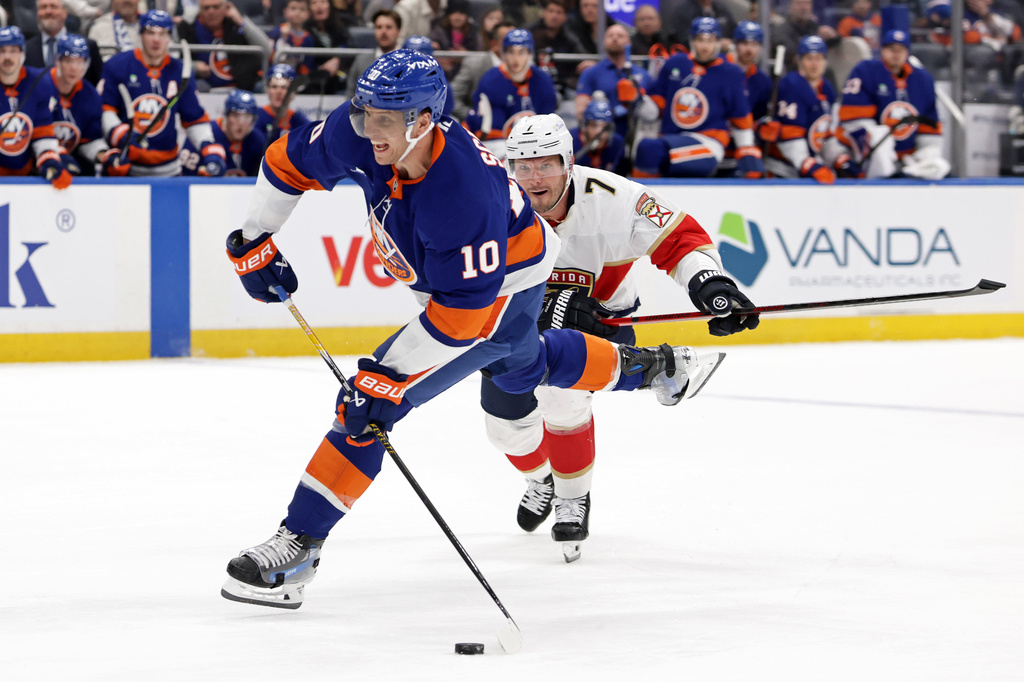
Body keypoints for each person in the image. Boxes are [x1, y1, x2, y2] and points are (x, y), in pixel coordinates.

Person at [220, 49, 732, 608]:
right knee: (524, 364)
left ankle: (300, 544)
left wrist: (385, 378)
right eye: (366, 113)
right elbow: (285, 160)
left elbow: (462, 318)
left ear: (422, 121)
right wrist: (253, 237)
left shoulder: (461, 195)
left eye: (385, 119)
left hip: (502, 288)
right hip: (476, 283)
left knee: (370, 405)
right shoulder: (359, 128)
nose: (369, 130)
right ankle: (660, 368)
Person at [492, 113, 757, 562]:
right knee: (503, 428)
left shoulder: (613, 197)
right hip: (518, 323)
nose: (534, 178)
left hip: (600, 316)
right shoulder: (490, 204)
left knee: (562, 399)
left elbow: (678, 237)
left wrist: (709, 283)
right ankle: (542, 480)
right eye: (523, 165)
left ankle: (573, 497)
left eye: (547, 164)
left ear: (570, 162)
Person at [100, 11, 226, 177]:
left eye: (162, 33)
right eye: (151, 33)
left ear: (169, 37)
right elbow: (105, 110)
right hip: (127, 166)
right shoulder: (117, 65)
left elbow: (193, 119)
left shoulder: (181, 71)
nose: (156, 39)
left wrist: (207, 146)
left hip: (168, 169)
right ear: (141, 34)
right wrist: (120, 134)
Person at [634, 17, 763, 178]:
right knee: (648, 149)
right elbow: (652, 112)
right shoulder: (674, 63)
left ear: (718, 42)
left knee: (649, 149)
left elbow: (741, 121)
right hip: (670, 140)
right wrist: (635, 99)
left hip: (708, 143)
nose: (705, 46)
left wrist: (747, 150)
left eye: (710, 40)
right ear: (691, 41)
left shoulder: (731, 73)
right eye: (700, 40)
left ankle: (644, 200)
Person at [835, 28, 947, 179]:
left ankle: (906, 173)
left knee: (936, 161)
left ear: (907, 53)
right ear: (882, 50)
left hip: (907, 159)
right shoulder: (865, 71)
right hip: (866, 155)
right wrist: (888, 157)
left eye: (901, 50)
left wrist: (918, 159)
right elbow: (856, 123)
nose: (896, 54)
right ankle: (885, 178)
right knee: (878, 136)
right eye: (891, 49)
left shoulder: (923, 79)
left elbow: (929, 129)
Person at [0, 26, 73, 189]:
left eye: (13, 51)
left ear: (22, 53)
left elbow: (42, 130)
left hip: (26, 177)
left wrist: (49, 159)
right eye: (2, 51)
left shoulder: (38, 82)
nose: (7, 57)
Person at [761, 35, 836, 182]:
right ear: (799, 61)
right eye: (809, 58)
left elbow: (824, 134)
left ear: (825, 61)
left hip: (808, 163)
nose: (815, 64)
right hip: (782, 169)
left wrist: (838, 157)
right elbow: (790, 136)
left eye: (819, 59)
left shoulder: (827, 88)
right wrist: (807, 164)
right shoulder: (791, 85)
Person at [464, 28, 558, 140]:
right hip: (495, 142)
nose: (515, 58)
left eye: (521, 52)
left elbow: (549, 123)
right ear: (503, 53)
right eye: (510, 52)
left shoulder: (543, 80)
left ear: (530, 54)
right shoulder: (491, 80)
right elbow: (491, 132)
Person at [46, 33, 111, 177]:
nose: (74, 68)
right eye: (68, 61)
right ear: (58, 61)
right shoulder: (40, 87)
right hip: (35, 169)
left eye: (79, 62)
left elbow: (88, 140)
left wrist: (104, 155)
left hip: (71, 168)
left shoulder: (90, 95)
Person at [575, 24, 653, 140]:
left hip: (637, 134)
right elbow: (581, 111)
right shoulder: (591, 73)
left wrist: (637, 98)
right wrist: (610, 112)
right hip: (603, 136)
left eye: (620, 36)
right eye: (610, 36)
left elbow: (654, 111)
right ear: (604, 41)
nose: (615, 38)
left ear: (629, 43)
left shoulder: (642, 75)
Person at [178, 0, 273, 92]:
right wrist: (195, 67)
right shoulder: (188, 28)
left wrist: (241, 21)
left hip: (244, 86)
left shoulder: (235, 23)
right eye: (206, 8)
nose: (211, 12)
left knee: (262, 87)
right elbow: (175, 60)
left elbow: (266, 48)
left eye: (216, 7)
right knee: (194, 86)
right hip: (207, 86)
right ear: (200, 10)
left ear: (226, 7)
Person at [181, 89, 265, 175]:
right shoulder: (204, 134)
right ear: (226, 116)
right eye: (235, 116)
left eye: (247, 117)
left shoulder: (257, 140)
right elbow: (185, 177)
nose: (241, 123)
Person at [25, 0, 102, 86]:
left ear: (65, 12)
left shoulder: (87, 46)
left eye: (53, 6)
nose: (48, 11)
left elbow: (98, 83)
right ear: (37, 13)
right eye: (43, 7)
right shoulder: (26, 49)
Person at [451, 21, 513, 120]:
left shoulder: (526, 68)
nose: (513, 45)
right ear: (494, 44)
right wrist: (472, 116)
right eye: (507, 40)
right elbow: (452, 96)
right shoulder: (474, 64)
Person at [528, 0, 586, 91]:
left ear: (565, 17)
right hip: (533, 81)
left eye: (559, 12)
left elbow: (582, 57)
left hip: (563, 84)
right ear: (544, 13)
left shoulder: (570, 37)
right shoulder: (530, 33)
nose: (554, 16)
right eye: (550, 11)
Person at [345, 8, 401, 99]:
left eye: (388, 27)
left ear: (399, 31)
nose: (383, 32)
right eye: (379, 27)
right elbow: (351, 96)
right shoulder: (361, 61)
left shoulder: (409, 62)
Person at [772, 0, 838, 71]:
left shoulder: (813, 26)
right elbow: (792, 52)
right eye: (799, 3)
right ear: (790, 7)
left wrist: (833, 35)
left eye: (807, 3)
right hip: (791, 71)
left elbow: (834, 41)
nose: (804, 8)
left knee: (828, 72)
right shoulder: (782, 30)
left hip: (815, 73)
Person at [257, 63, 312, 147]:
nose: (278, 92)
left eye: (284, 87)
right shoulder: (256, 118)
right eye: (274, 86)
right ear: (267, 90)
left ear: (293, 92)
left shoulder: (299, 122)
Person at [305, 0, 350, 94]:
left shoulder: (339, 28)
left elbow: (350, 45)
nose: (319, 6)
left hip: (336, 81)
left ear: (330, 6)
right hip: (311, 81)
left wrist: (338, 60)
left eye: (323, 2)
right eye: (314, 3)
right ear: (309, 9)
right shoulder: (305, 29)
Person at [267, 0, 318, 79]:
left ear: (308, 14)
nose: (297, 13)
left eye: (302, 9)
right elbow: (269, 58)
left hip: (297, 78)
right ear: (285, 12)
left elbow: (308, 64)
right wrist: (283, 39)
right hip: (274, 75)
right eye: (293, 8)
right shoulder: (276, 32)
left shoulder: (308, 38)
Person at [571, 96, 624, 171]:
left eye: (605, 127)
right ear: (584, 126)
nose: (599, 132)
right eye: (594, 126)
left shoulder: (616, 144)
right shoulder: (570, 141)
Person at [428, 0, 478, 79]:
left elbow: (478, 55)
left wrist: (465, 56)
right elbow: (431, 49)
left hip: (466, 73)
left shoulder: (473, 33)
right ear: (448, 15)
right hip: (441, 72)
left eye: (461, 13)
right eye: (454, 13)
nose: (457, 17)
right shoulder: (438, 30)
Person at [672, 0, 737, 48]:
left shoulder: (720, 6)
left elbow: (735, 30)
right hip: (694, 56)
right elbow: (684, 38)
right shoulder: (684, 9)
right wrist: (717, 44)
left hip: (725, 55)